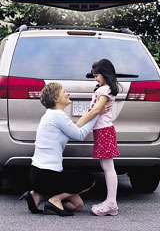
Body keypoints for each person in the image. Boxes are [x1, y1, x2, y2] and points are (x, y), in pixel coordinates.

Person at [19, 82, 108, 216]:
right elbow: (80, 134)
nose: (68, 93)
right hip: (47, 175)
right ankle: (55, 200)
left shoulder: (52, 115)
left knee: (77, 205)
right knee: (89, 180)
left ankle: (35, 196)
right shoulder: (57, 116)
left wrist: (94, 111)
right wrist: (97, 114)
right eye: (64, 91)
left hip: (38, 175)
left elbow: (76, 127)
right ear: (55, 98)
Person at [78, 59, 120, 216]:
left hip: (105, 131)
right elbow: (97, 110)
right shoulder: (103, 88)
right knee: (106, 167)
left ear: (105, 74)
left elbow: (96, 110)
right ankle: (111, 202)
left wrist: (78, 124)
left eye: (97, 76)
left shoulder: (106, 90)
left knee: (108, 167)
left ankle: (111, 203)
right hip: (102, 131)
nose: (95, 78)